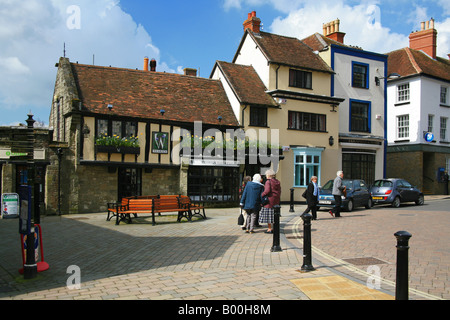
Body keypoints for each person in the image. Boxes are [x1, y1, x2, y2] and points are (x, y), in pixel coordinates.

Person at [259, 169, 281, 233]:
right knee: (274, 215)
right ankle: (274, 228)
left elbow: (267, 191)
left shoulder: (268, 182)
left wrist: (262, 195)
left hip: (269, 201)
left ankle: (269, 229)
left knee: (269, 216)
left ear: (268, 175)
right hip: (276, 200)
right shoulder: (277, 181)